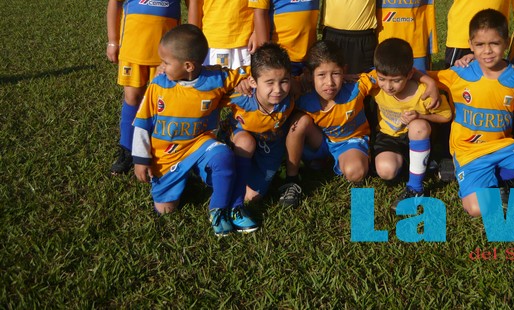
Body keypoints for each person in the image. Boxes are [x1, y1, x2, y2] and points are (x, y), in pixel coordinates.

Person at [281, 40, 440, 205]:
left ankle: (327, 162)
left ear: (345, 71)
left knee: (355, 172)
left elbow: (396, 72)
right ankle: (292, 179)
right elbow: (276, 81)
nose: (329, 82)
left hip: (349, 141)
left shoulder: (358, 86)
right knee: (299, 122)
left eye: (335, 74)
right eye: (321, 75)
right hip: (320, 139)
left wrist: (429, 81)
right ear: (309, 75)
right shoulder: (302, 91)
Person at [132, 25, 246, 235]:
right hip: (167, 156)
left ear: (188, 66)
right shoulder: (159, 85)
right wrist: (141, 159)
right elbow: (142, 123)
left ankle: (218, 210)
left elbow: (246, 72)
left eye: (166, 62)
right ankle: (185, 177)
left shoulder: (215, 79)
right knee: (166, 210)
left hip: (199, 144)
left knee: (223, 157)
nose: (161, 67)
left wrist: (247, 81)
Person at [104, 0, 187, 175]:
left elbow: (194, 5)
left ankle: (158, 150)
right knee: (132, 97)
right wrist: (113, 41)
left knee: (161, 100)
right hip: (133, 49)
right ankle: (127, 148)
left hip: (165, 55)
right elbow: (114, 2)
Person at [431, 9, 514, 216]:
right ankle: (472, 173)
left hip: (501, 146)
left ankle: (494, 177)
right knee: (476, 209)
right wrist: (428, 83)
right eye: (480, 45)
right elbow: (425, 76)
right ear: (471, 45)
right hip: (468, 151)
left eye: (494, 43)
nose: (487, 51)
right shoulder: (460, 73)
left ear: (506, 43)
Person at [222, 42, 295, 231]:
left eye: (284, 81)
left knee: (252, 198)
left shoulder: (294, 92)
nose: (278, 89)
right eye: (269, 83)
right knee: (246, 142)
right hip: (240, 138)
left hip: (271, 147)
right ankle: (226, 178)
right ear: (253, 82)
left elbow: (317, 78)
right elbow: (209, 87)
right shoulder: (241, 96)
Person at [371, 38, 452, 208]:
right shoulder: (375, 85)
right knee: (386, 171)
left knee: (418, 126)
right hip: (389, 136)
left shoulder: (425, 93)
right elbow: (357, 80)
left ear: (409, 75)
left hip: (418, 135)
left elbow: (446, 116)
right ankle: (420, 164)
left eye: (396, 80)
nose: (388, 86)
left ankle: (415, 188)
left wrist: (421, 116)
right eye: (382, 79)